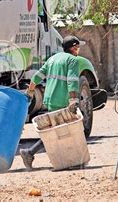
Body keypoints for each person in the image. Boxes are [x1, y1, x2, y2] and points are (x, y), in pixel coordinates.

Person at [20, 35, 83, 170]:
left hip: (49, 99)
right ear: (73, 48)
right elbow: (72, 81)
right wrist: (73, 101)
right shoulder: (73, 60)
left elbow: (37, 76)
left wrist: (30, 91)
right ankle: (30, 152)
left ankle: (68, 160)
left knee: (57, 130)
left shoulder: (53, 59)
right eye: (77, 47)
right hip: (61, 100)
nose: (78, 50)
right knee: (59, 132)